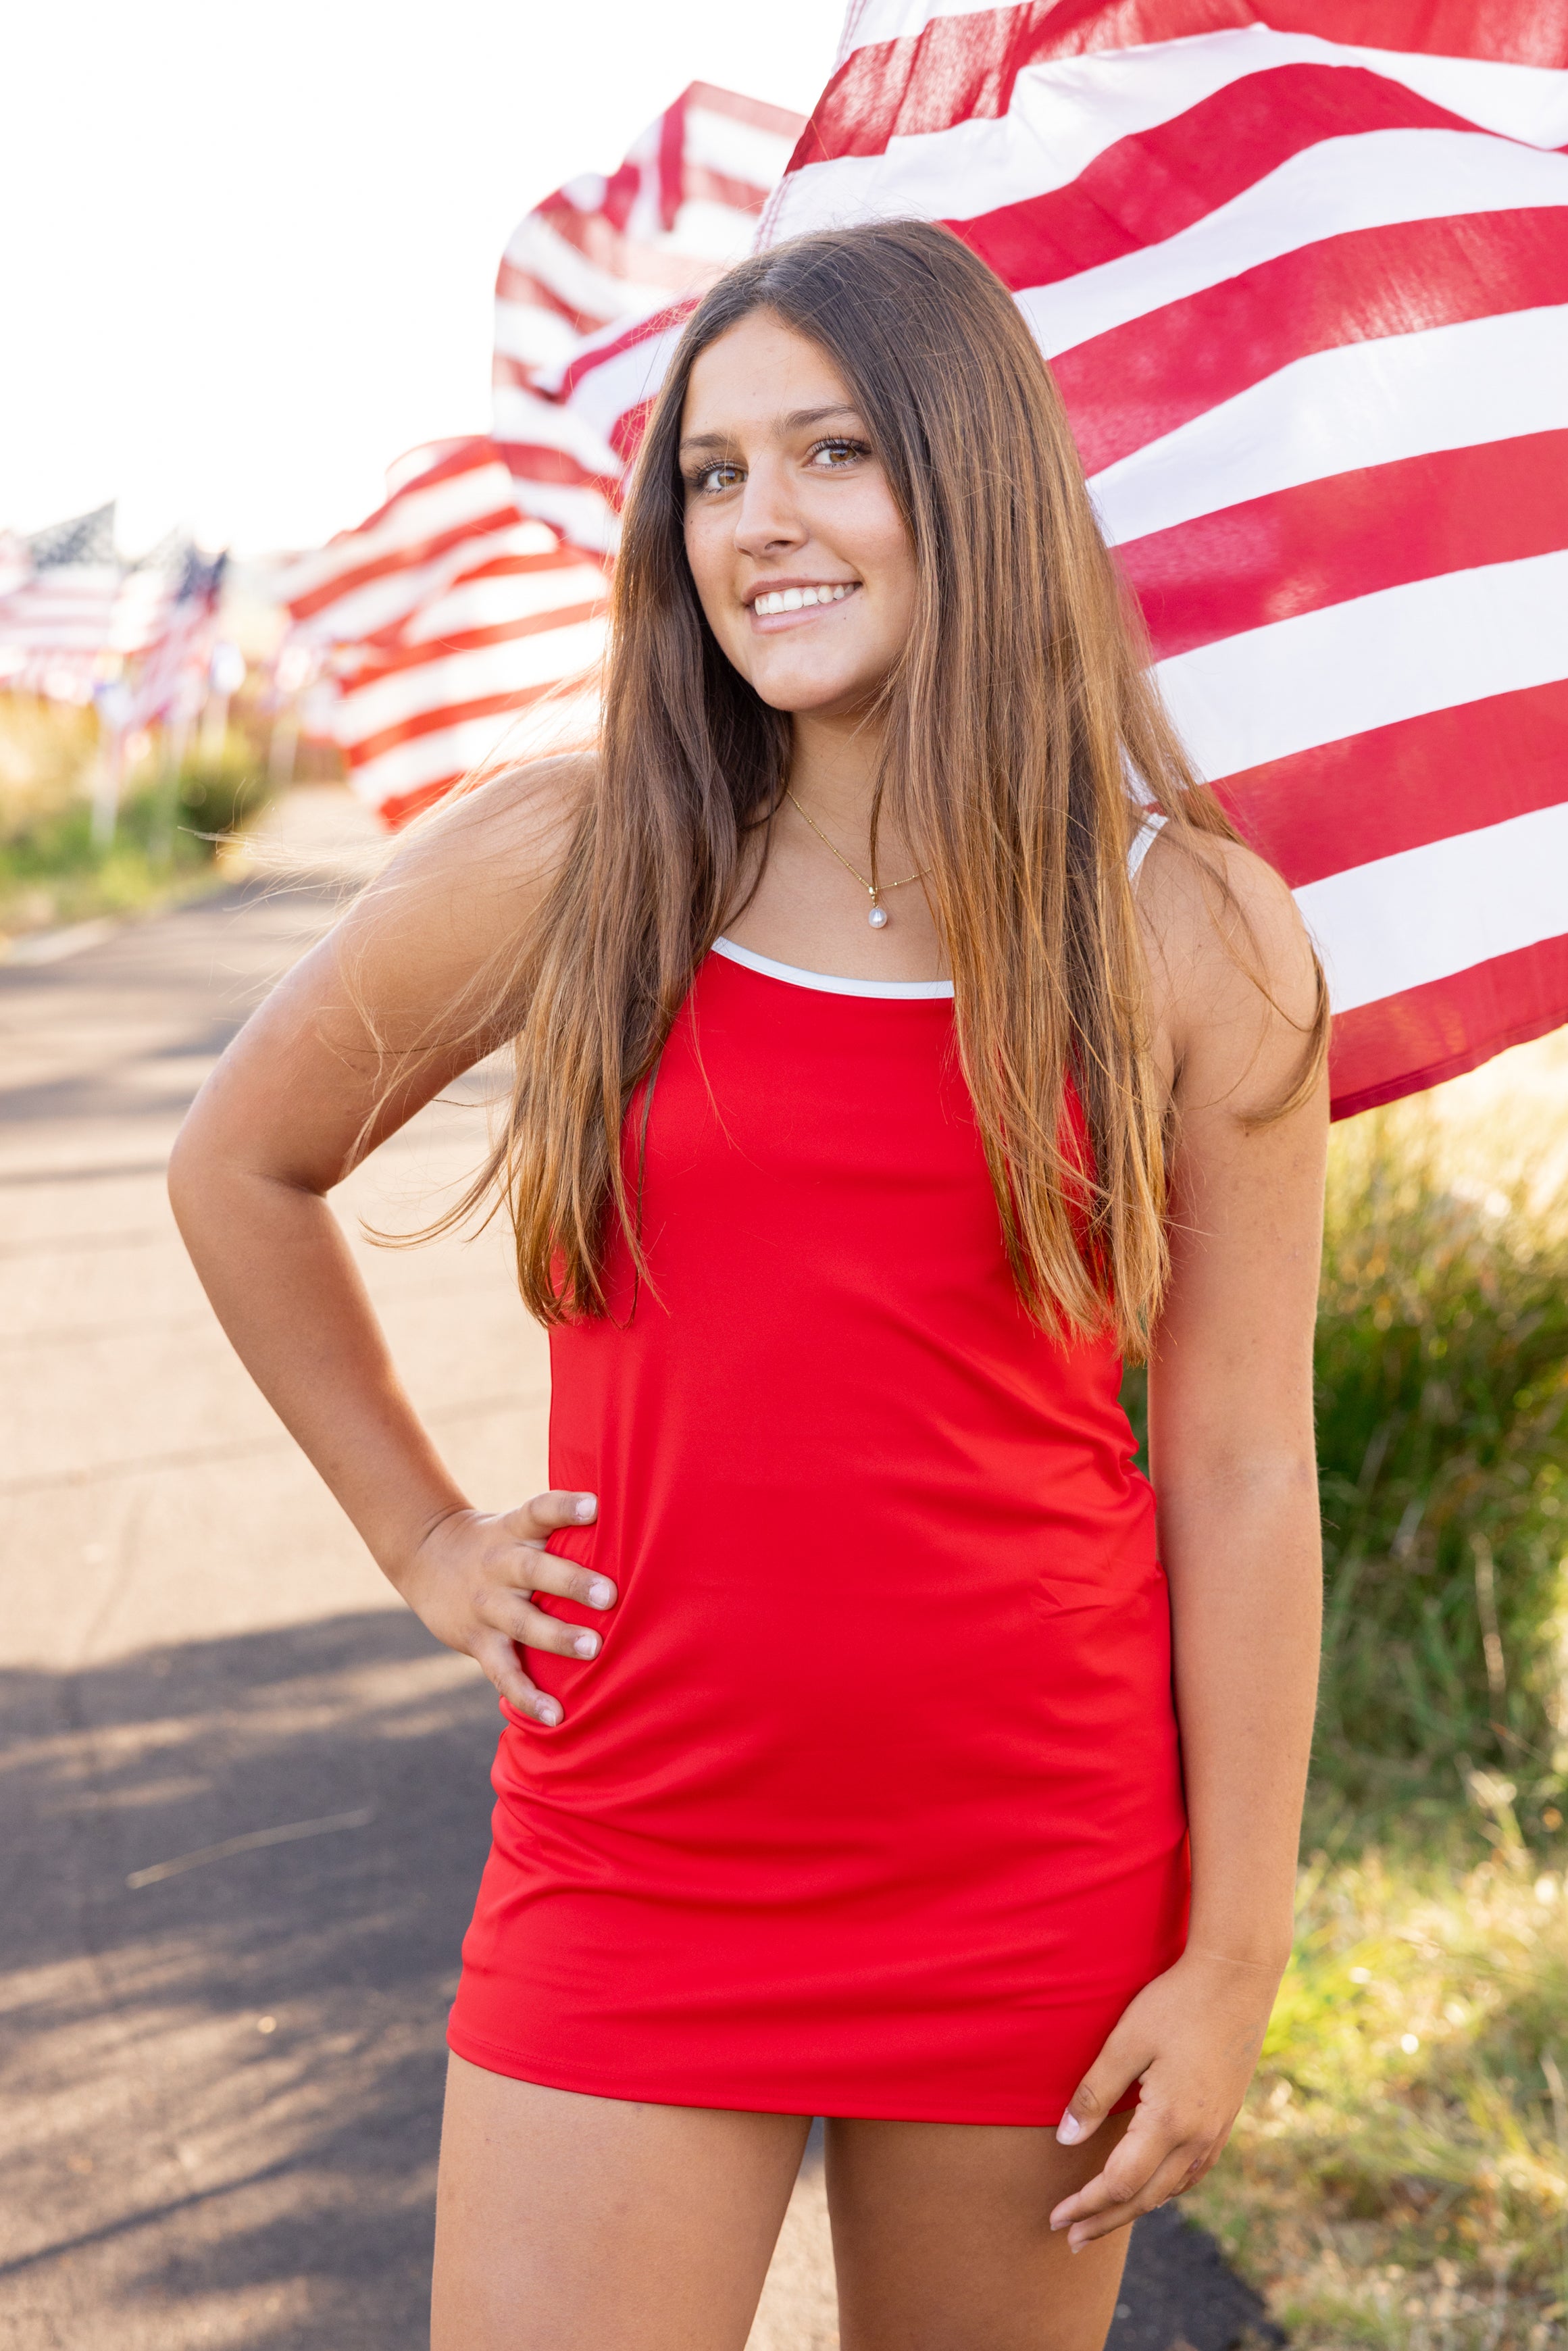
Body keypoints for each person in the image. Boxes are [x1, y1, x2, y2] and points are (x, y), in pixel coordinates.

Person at [170, 220, 1327, 2351]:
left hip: (1037, 1878)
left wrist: (1230, 1948)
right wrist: (423, 1539)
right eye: (710, 474)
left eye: (830, 454)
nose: (757, 524)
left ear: (970, 479)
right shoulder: (578, 856)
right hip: (640, 1859)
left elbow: (1243, 1462)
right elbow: (242, 1163)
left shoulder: (1194, 931)